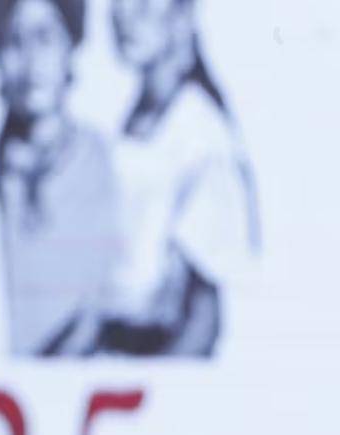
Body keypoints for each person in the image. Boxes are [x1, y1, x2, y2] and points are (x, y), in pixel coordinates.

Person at [98, 0, 259, 356]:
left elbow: (203, 315)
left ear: (182, 16)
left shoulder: (199, 133)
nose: (124, 16)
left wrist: (159, 383)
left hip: (158, 358)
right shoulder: (135, 122)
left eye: (142, 5)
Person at [0, 0, 122, 356]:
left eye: (44, 38)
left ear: (70, 46)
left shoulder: (110, 165)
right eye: (14, 41)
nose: (31, 61)